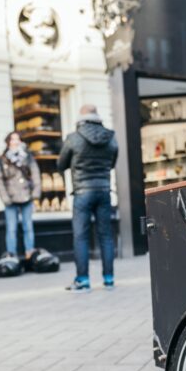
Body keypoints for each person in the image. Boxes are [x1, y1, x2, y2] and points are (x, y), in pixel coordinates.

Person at [58, 104, 118, 291]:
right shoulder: (111, 137)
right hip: (104, 190)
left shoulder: (73, 138)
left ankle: (83, 280)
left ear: (80, 119)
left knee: (81, 237)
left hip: (82, 192)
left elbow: (61, 164)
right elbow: (112, 162)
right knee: (106, 236)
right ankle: (108, 279)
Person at [0, 131, 41, 259]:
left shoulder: (27, 157)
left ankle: (30, 253)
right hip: (11, 198)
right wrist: (5, 198)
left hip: (27, 195)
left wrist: (35, 193)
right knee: (11, 228)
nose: (15, 142)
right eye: (12, 139)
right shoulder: (2, 159)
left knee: (28, 226)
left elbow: (35, 174)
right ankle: (12, 254)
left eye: (17, 139)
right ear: (8, 142)